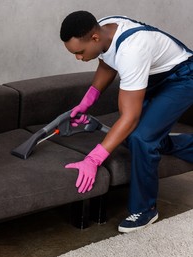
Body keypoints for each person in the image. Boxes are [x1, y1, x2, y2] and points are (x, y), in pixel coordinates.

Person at [60, 11, 193, 233]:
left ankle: (145, 209)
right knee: (133, 137)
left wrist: (93, 159)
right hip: (157, 76)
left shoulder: (132, 50)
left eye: (80, 52)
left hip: (183, 78)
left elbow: (129, 118)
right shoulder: (102, 28)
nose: (79, 58)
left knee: (140, 137)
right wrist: (87, 101)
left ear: (93, 38)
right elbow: (108, 60)